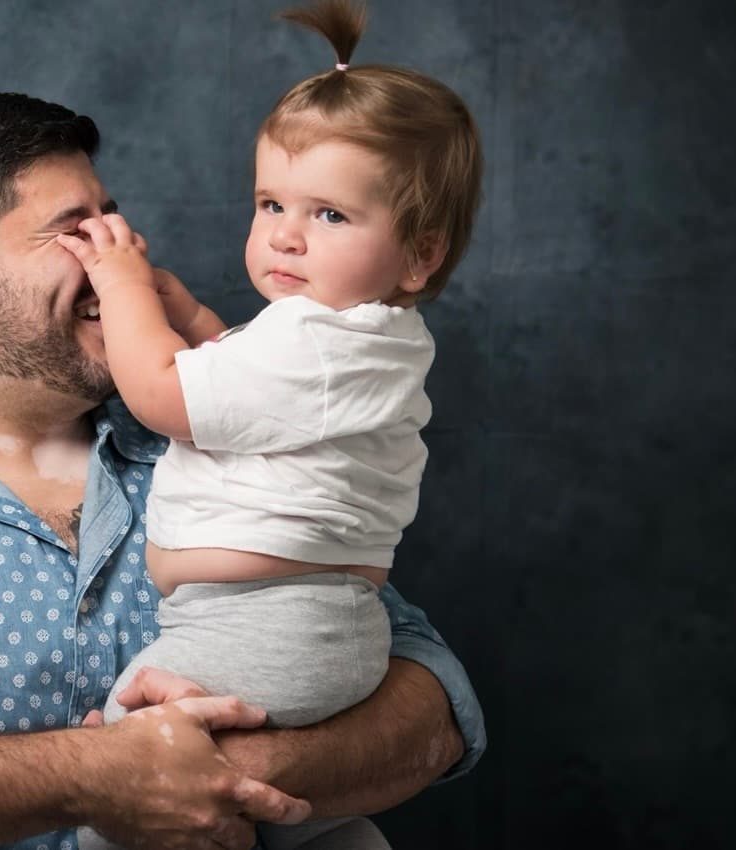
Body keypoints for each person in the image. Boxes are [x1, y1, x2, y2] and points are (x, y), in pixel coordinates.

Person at [0, 87, 485, 850]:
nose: (121, 247)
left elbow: (433, 704)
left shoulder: (229, 433)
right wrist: (99, 776)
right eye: (77, 229)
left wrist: (226, 776)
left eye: (112, 216)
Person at [57, 3, 483, 848]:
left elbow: (166, 396)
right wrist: (194, 318)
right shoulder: (357, 338)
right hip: (306, 624)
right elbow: (252, 393)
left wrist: (122, 283)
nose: (285, 235)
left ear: (422, 254)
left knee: (123, 774)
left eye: (329, 215)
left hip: (266, 623)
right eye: (269, 202)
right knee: (282, 823)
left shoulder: (312, 339)